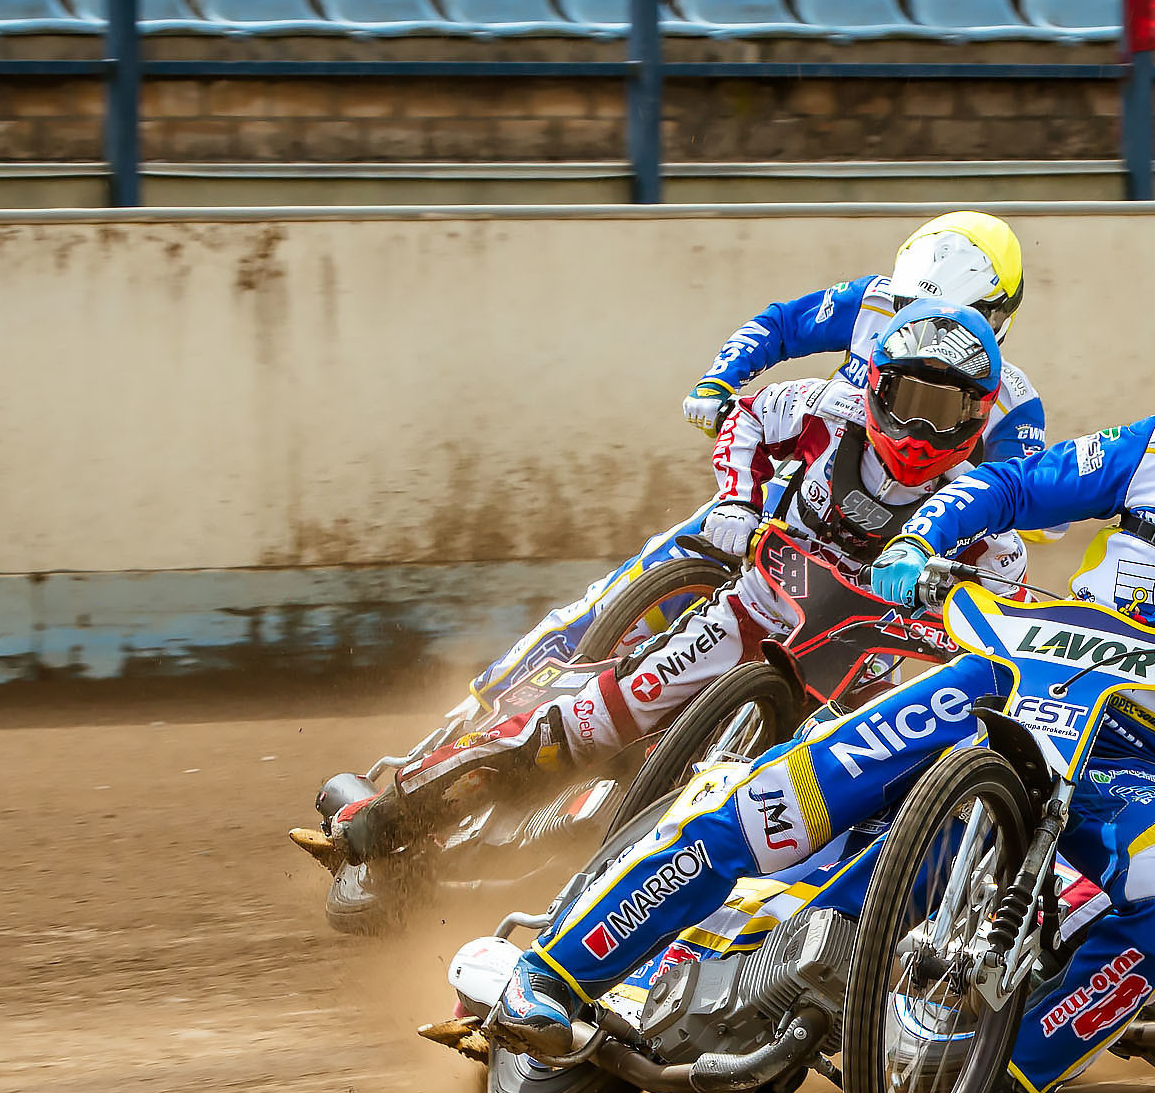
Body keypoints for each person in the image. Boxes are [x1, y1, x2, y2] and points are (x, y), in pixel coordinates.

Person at [489, 324, 1155, 1093]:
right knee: (784, 801)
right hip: (995, 685)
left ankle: (1011, 1083)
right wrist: (925, 536)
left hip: (1120, 763)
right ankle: (554, 974)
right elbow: (1011, 483)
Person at [328, 300, 1029, 861]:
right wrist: (735, 499)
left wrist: (944, 619)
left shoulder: (988, 512)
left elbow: (1009, 634)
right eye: (905, 397)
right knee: (589, 719)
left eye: (940, 412)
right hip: (755, 609)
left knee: (845, 817)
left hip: (861, 676)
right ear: (875, 386)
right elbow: (746, 419)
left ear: (977, 414)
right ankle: (396, 814)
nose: (916, 427)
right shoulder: (824, 407)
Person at [427, 212, 1042, 755]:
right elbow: (778, 324)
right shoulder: (872, 301)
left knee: (858, 720)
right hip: (783, 494)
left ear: (997, 318)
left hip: (883, 571)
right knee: (632, 581)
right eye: (908, 304)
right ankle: (476, 719)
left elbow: (1020, 498)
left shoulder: (1012, 402)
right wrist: (721, 382)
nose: (915, 322)